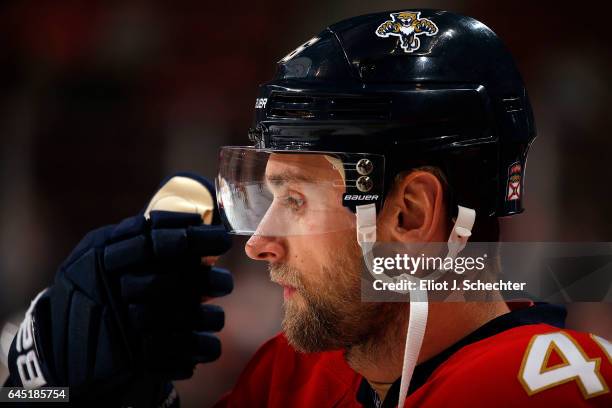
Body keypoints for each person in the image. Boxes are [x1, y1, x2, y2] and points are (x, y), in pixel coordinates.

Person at [2, 9, 611, 407]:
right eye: (268, 196)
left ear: (410, 214)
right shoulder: (300, 376)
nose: (260, 242)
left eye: (294, 198)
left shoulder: (532, 385)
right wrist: (55, 386)